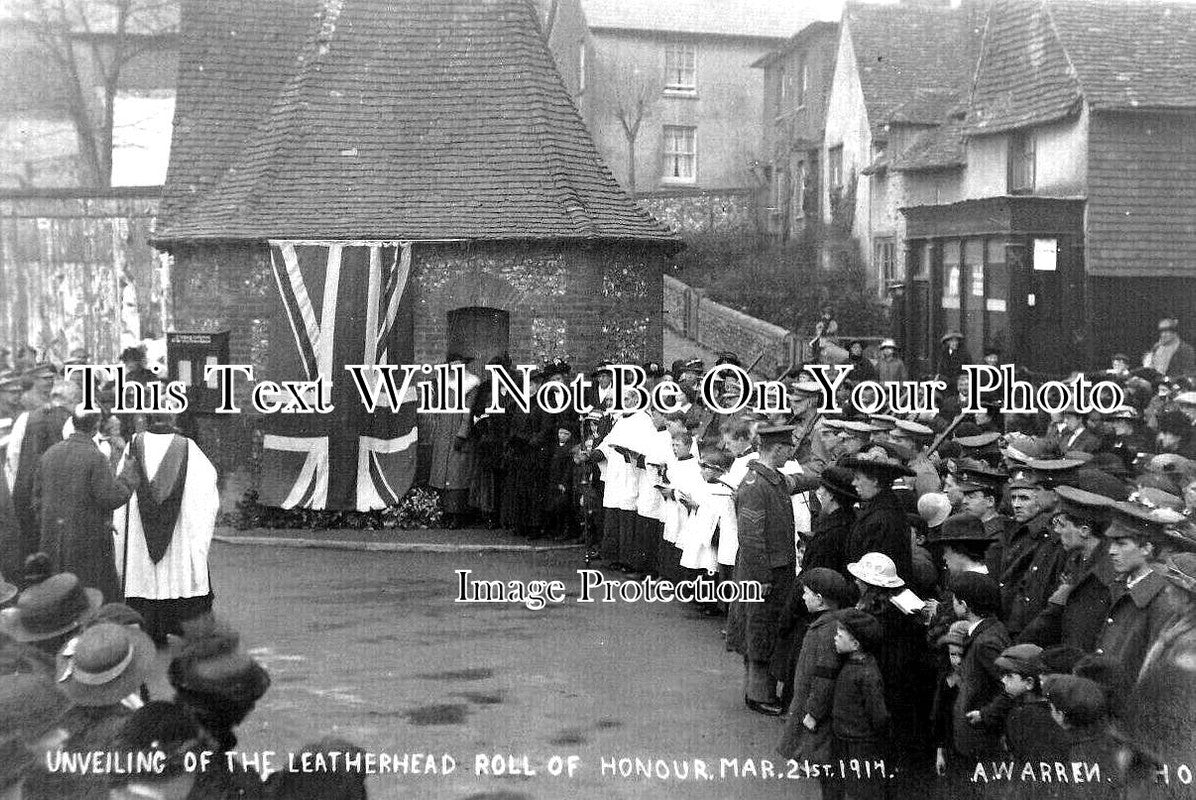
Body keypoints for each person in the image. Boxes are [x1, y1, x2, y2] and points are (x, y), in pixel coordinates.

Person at [112, 413, 219, 647]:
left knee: (145, 572)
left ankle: (150, 628)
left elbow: (122, 482)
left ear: (149, 420)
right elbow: (205, 487)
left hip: (141, 526)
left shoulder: (133, 444)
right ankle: (183, 627)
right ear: (172, 420)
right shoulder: (187, 447)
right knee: (177, 571)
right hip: (178, 526)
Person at [726, 425, 797, 716]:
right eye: (788, 448)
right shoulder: (756, 485)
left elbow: (799, 481)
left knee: (765, 629)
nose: (791, 452)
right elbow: (751, 538)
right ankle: (759, 694)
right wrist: (761, 578)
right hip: (763, 573)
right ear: (777, 449)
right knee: (760, 631)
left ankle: (758, 690)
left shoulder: (773, 479)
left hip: (773, 570)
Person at [35, 406, 137, 602]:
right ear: (96, 426)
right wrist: (128, 476)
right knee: (89, 595)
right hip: (87, 542)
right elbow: (110, 497)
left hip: (52, 540)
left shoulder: (49, 454)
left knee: (59, 597)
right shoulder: (95, 457)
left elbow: (37, 499)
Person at [776, 567, 853, 797]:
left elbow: (824, 676)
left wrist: (813, 712)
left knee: (825, 768)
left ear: (819, 600)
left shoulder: (826, 631)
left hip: (816, 714)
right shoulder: (828, 625)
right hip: (815, 709)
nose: (802, 597)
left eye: (806, 593)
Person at [1093, 500, 1188, 681]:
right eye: (1111, 543)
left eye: (1121, 544)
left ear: (1146, 548)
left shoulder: (1162, 600)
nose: (1112, 551)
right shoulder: (1121, 585)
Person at [1018, 485, 1117, 651]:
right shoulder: (1075, 559)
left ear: (1084, 531)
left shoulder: (1107, 572)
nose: (1057, 530)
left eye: (1063, 525)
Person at [951, 572, 1010, 765]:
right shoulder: (992, 630)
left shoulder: (986, 642)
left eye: (954, 599)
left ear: (964, 605)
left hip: (979, 738)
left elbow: (1008, 686)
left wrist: (985, 714)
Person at [829, 609, 888, 800]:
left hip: (861, 744)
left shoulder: (868, 674)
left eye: (840, 635)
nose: (835, 638)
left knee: (862, 790)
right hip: (845, 738)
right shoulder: (852, 663)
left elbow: (878, 713)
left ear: (855, 644)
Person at [841, 453, 915, 583]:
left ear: (875, 481)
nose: (854, 483)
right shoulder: (884, 508)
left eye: (858, 478)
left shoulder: (883, 518)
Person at [994, 643, 1068, 763]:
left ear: (1029, 682)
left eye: (1009, 676)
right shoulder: (1053, 709)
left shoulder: (1021, 716)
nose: (1003, 680)